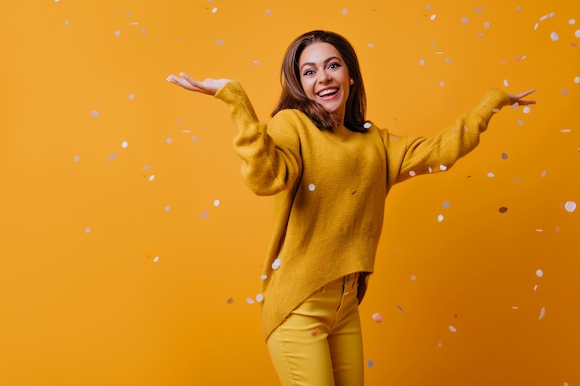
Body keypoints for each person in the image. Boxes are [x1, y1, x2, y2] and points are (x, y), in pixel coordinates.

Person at [167, 30, 535, 386]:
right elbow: (266, 179)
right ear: (299, 85)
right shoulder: (291, 125)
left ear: (351, 76)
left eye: (333, 66)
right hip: (299, 305)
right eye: (309, 72)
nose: (323, 78)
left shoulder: (376, 142)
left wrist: (493, 101)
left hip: (346, 307)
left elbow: (442, 150)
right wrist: (236, 100)